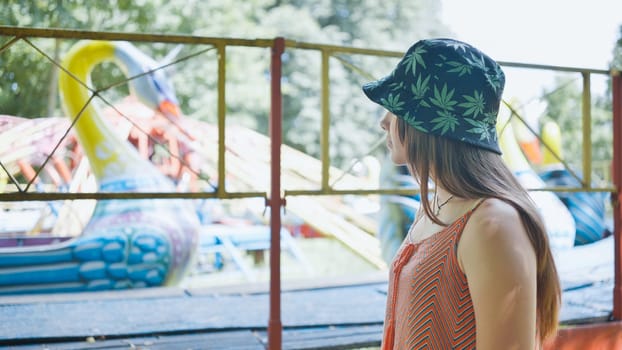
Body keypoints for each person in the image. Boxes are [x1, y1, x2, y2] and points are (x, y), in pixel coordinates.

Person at [362, 38, 560, 349]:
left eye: (397, 107)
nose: (383, 121)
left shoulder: (493, 225)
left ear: (431, 121)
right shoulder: (438, 205)